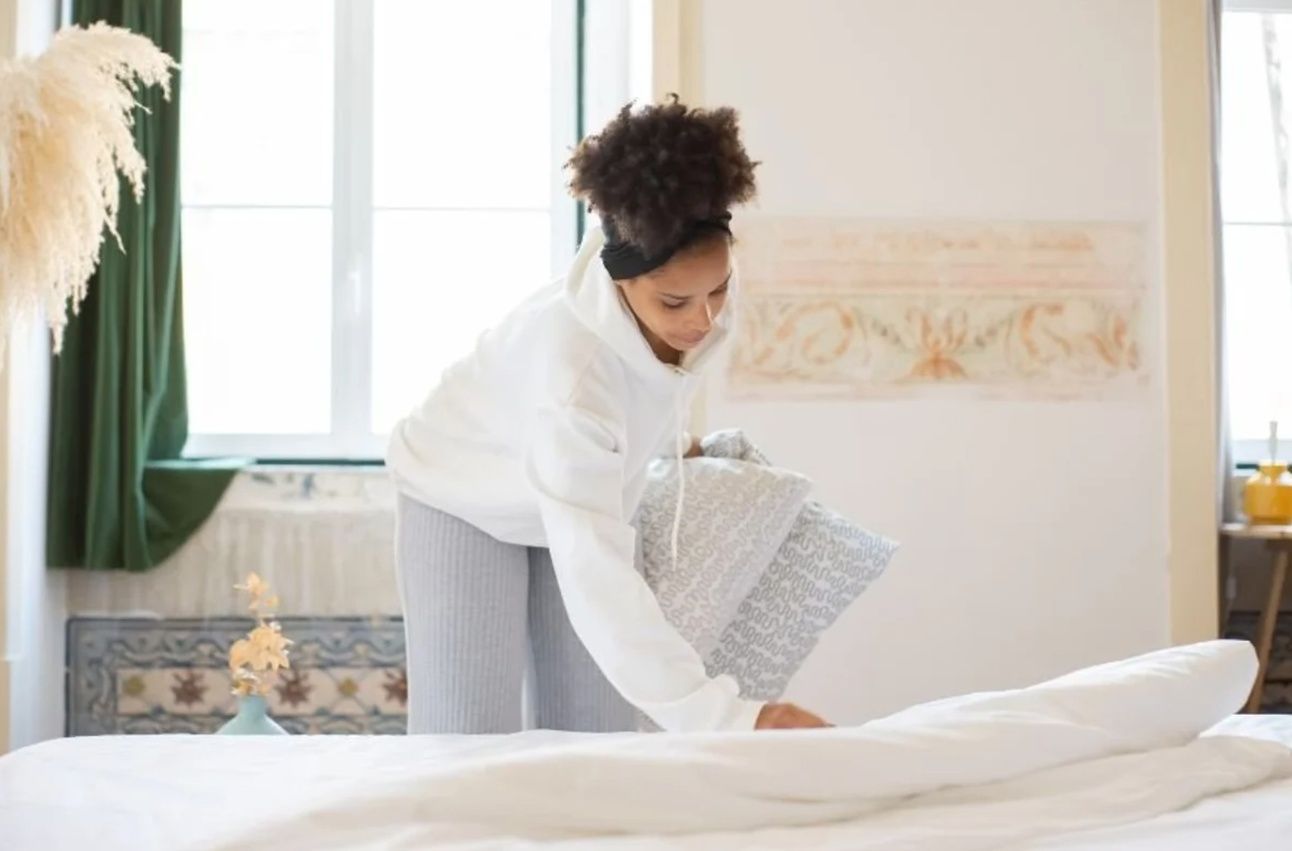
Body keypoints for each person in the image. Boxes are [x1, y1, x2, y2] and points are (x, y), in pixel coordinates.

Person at [387, 98, 831, 734]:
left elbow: (641, 389)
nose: (704, 319)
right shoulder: (572, 378)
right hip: (462, 490)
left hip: (568, 480)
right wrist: (728, 718)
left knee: (595, 734)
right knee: (466, 738)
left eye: (718, 289)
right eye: (675, 302)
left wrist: (671, 442)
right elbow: (597, 574)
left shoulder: (689, 304)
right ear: (621, 281)